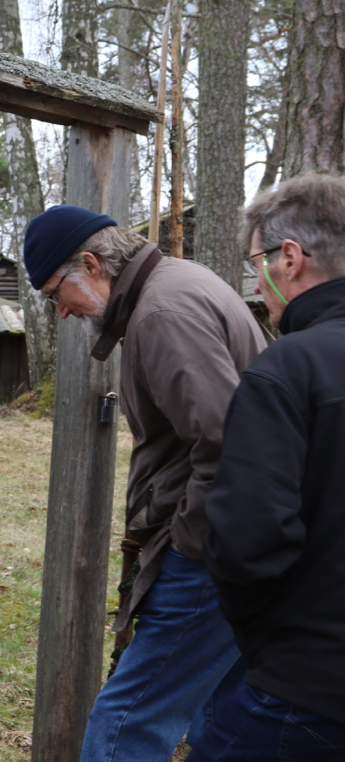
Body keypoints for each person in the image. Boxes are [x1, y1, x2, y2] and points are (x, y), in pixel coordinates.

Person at [22, 205, 265, 762]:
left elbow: (229, 444)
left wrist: (186, 543)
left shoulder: (162, 313)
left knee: (127, 719)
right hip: (241, 537)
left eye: (57, 291)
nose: (59, 310)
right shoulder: (179, 284)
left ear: (92, 263)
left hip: (211, 549)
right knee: (227, 714)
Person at [186, 174, 345, 760]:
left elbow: (248, 542)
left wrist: (266, 644)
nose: (256, 283)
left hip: (305, 694)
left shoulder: (289, 369)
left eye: (257, 263)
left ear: (291, 258)